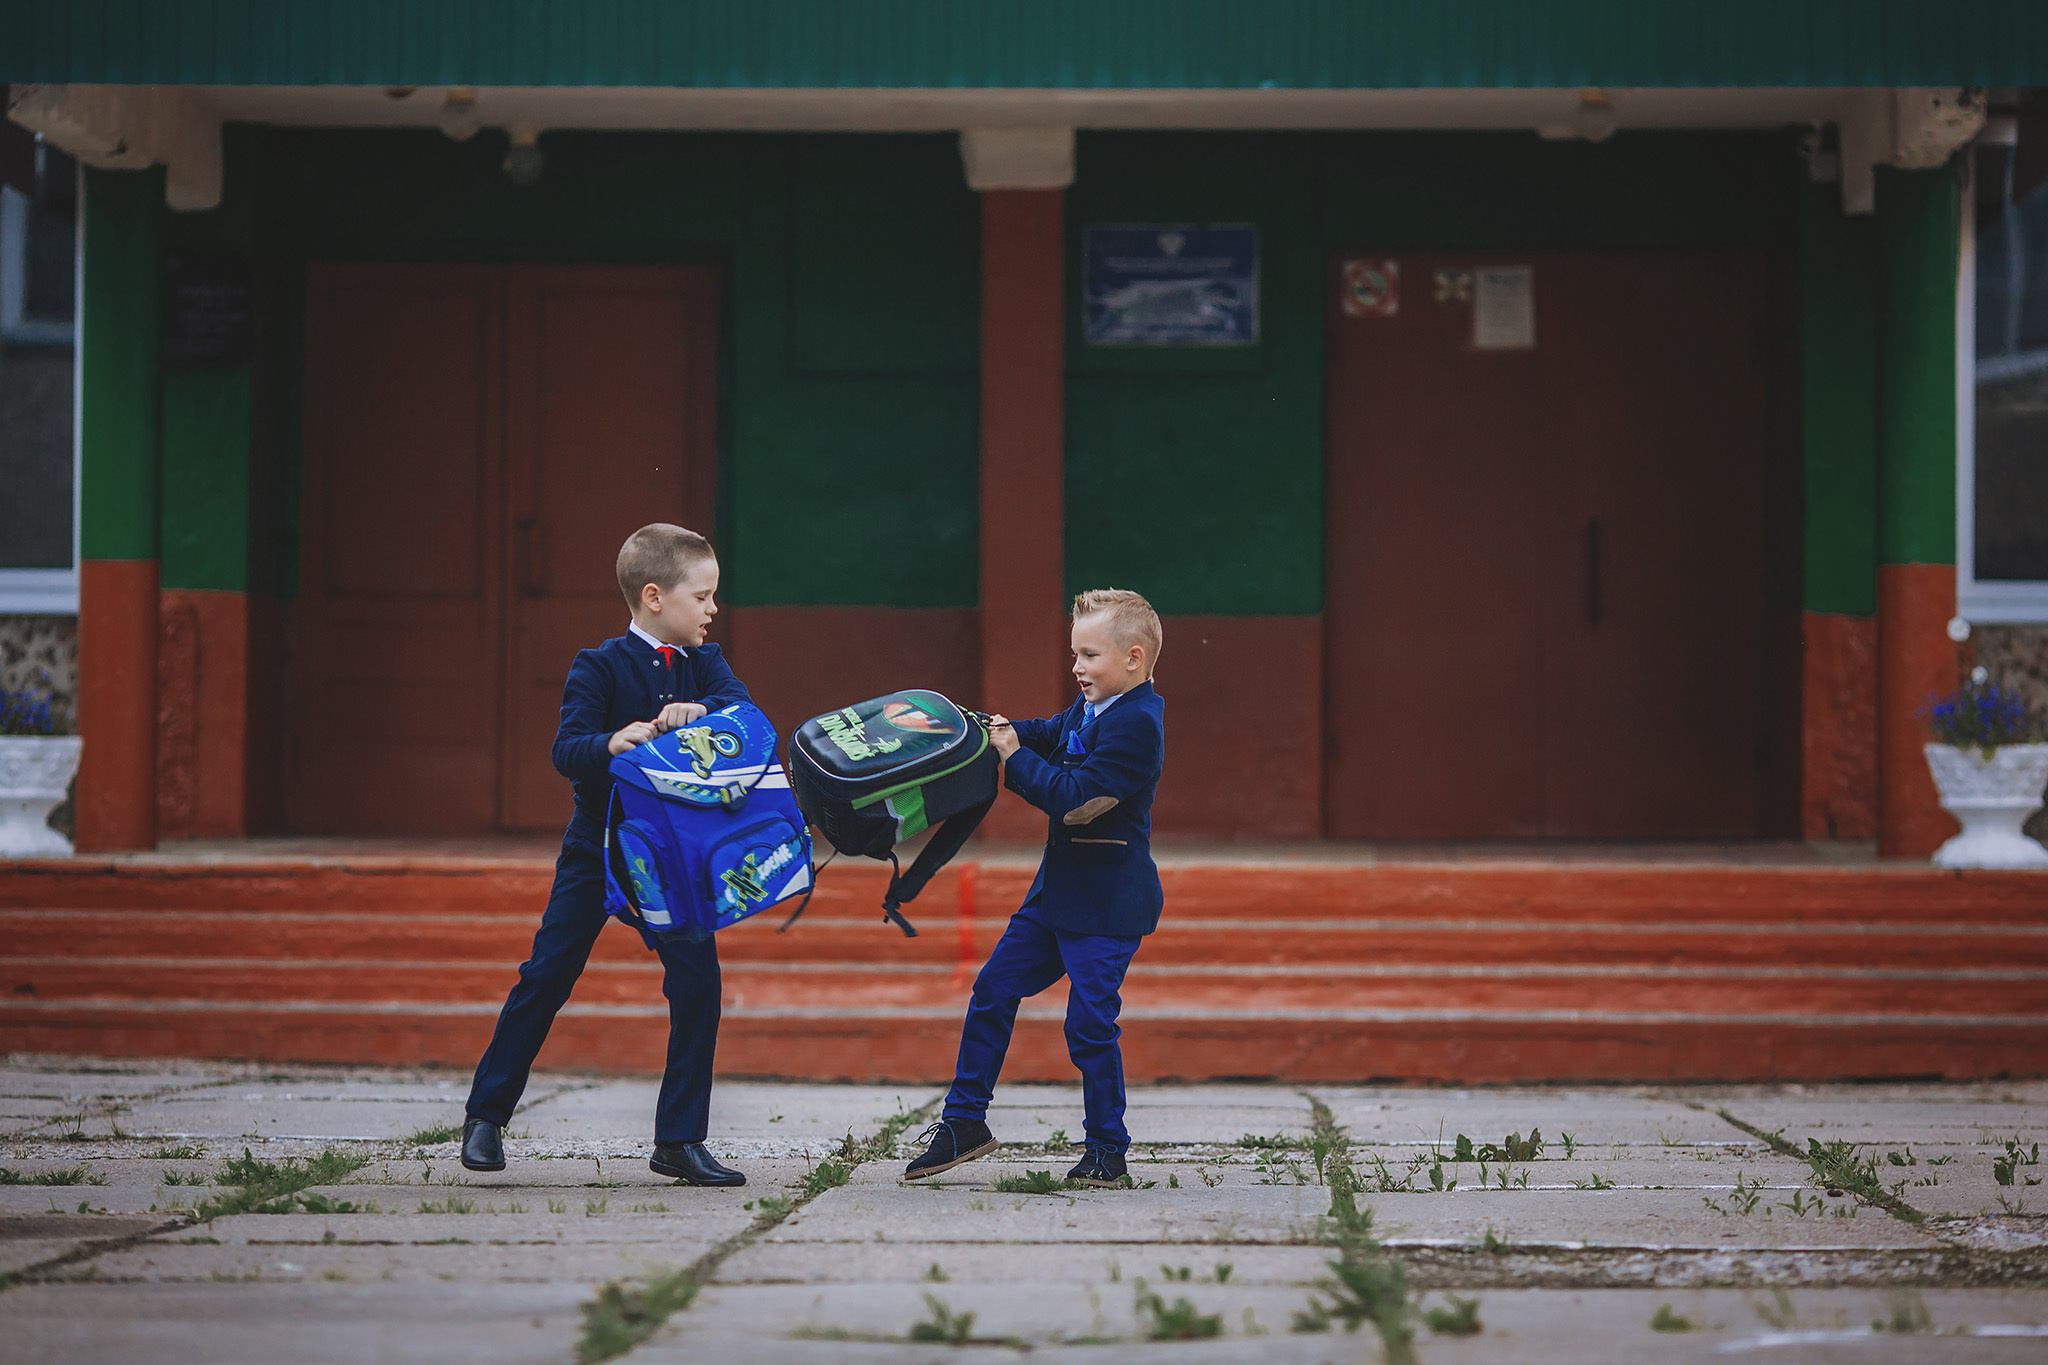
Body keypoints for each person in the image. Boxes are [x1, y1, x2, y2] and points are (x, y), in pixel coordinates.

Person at [461, 524, 749, 1186]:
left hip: (672, 859)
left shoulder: (706, 664)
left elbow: (741, 713)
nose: (713, 608)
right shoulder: (598, 665)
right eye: (701, 596)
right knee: (547, 975)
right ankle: (485, 1116)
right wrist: (610, 743)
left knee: (699, 983)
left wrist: (701, 711)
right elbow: (567, 749)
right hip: (598, 846)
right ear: (653, 596)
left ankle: (679, 1140)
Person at [905, 589, 1167, 1188]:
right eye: (1075, 654)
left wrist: (1013, 757)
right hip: (1054, 897)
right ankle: (964, 1122)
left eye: (1089, 656)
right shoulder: (1093, 707)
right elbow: (1048, 732)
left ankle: (1107, 1150)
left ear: (1133, 658)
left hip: (1106, 905)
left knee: (1089, 1026)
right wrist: (988, 730)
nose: (1077, 667)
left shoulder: (1138, 725)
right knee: (993, 990)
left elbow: (1075, 802)